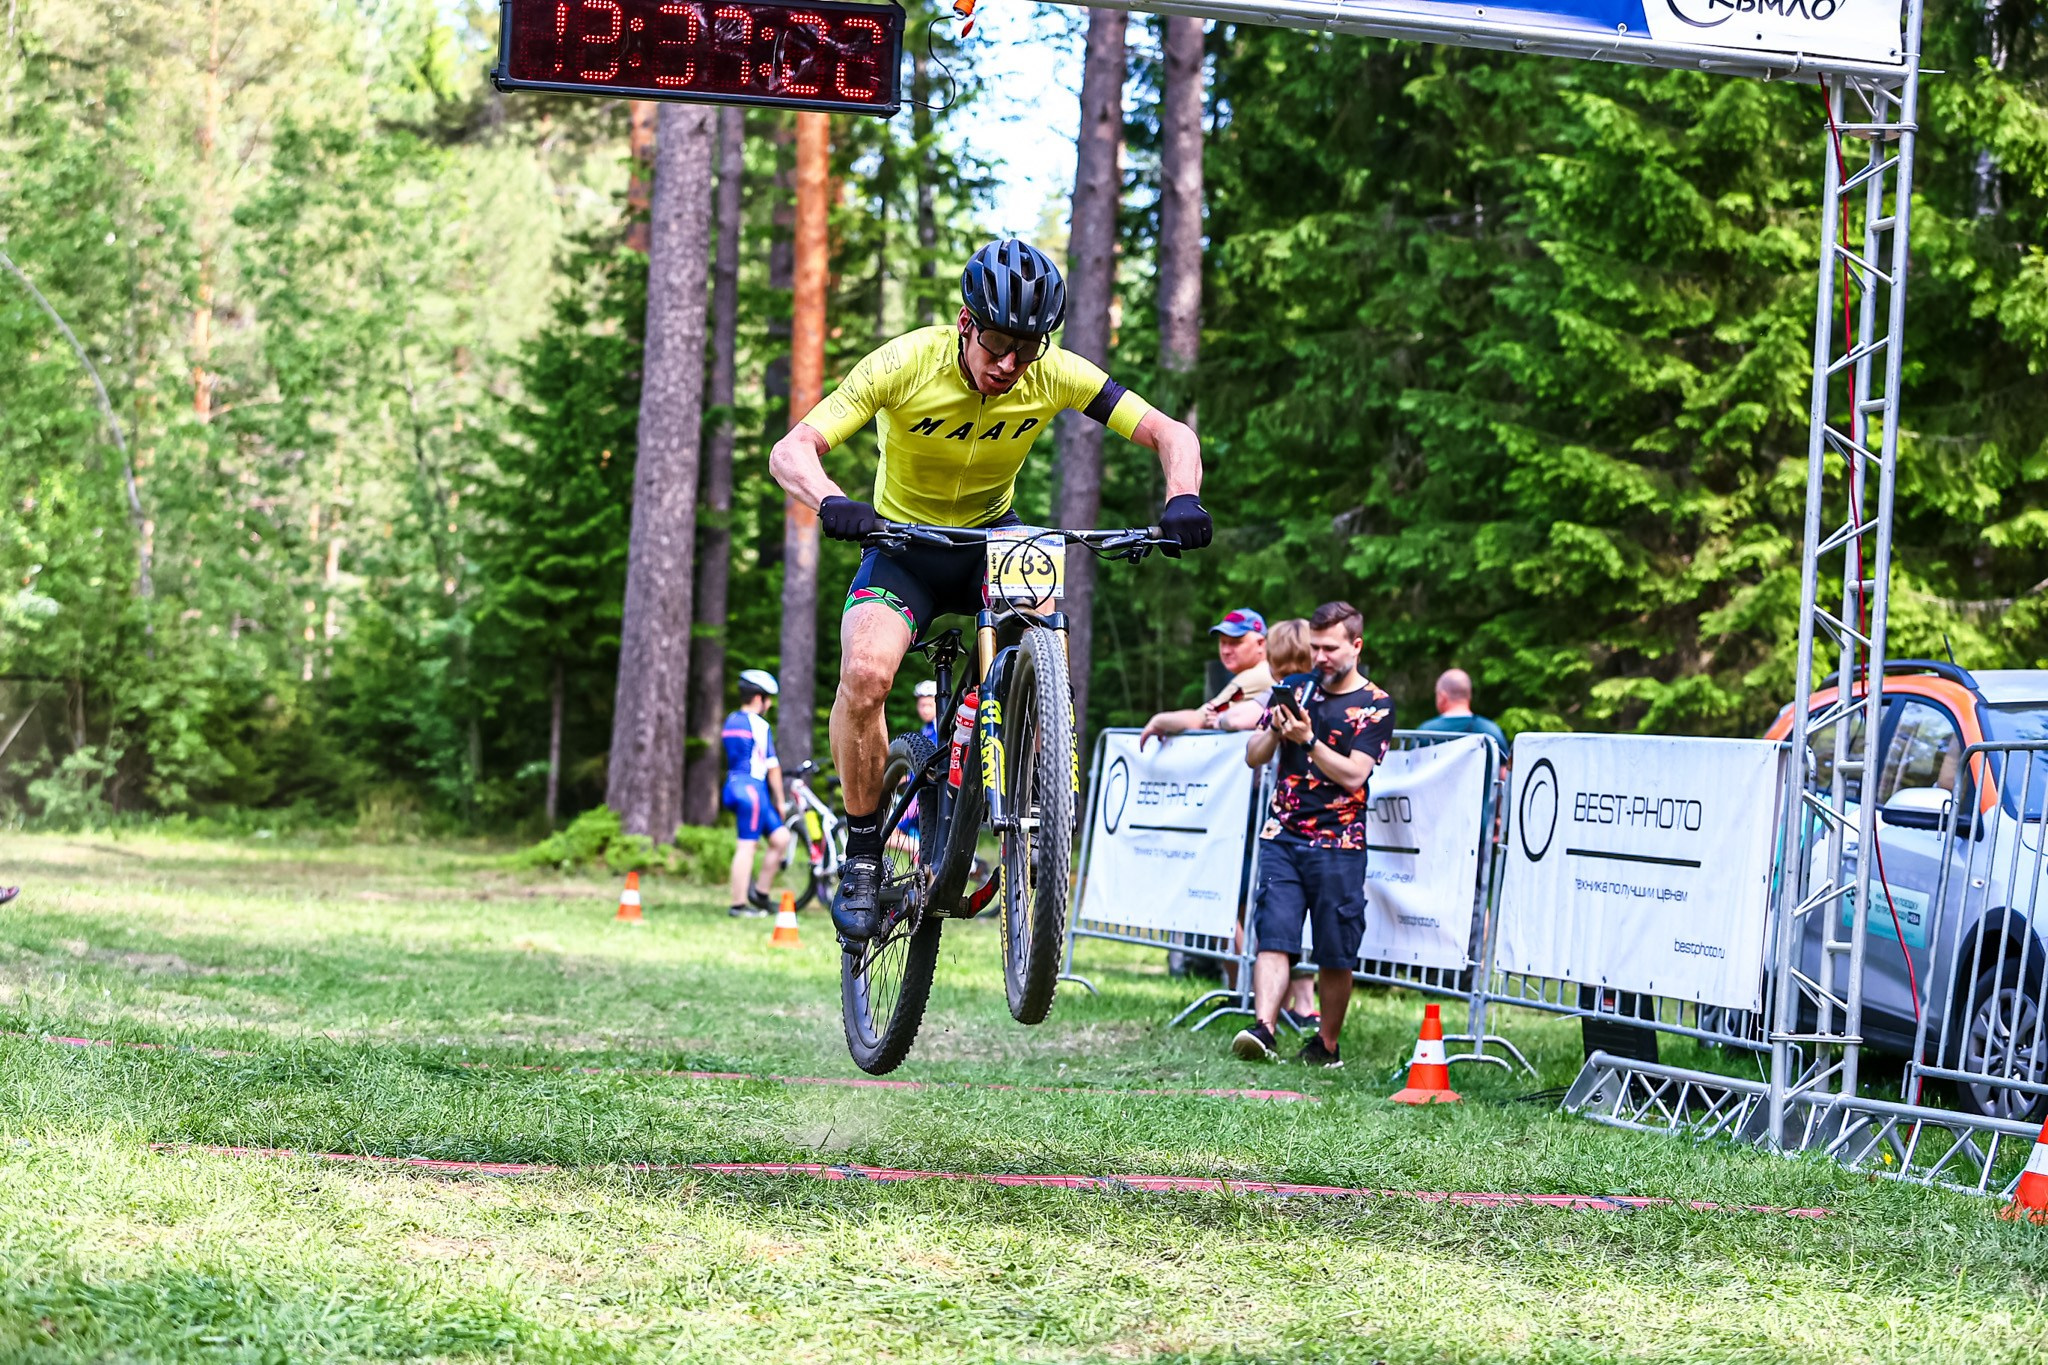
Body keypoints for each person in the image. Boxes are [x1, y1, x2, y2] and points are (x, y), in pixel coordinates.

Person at [766, 238, 1212, 946]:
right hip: (904, 544)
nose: (1009, 364)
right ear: (966, 323)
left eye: (1026, 349)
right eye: (998, 344)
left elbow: (1169, 432)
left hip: (990, 539)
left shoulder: (1053, 372)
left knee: (1043, 609)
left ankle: (1032, 769)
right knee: (867, 673)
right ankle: (863, 854)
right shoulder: (906, 361)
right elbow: (791, 450)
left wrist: (1181, 496)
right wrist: (831, 501)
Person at [1231, 602, 1396, 1067]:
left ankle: (1326, 1044)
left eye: (1330, 648)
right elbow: (1253, 754)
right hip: (1282, 834)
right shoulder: (1298, 688)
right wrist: (1276, 731)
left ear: (1356, 646)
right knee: (1273, 934)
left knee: (1335, 949)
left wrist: (1307, 740)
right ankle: (1263, 1028)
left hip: (1339, 843)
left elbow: (1354, 775)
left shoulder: (1376, 704)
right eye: (1315, 647)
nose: (1320, 657)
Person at [1138, 609, 1272, 750]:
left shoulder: (1258, 675)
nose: (1226, 651)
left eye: (1235, 643)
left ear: (1260, 644)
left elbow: (1198, 720)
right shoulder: (1270, 671)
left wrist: (1158, 720)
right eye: (1223, 642)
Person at [721, 670, 793, 918]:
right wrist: (780, 801)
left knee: (781, 838)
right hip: (752, 789)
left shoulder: (731, 719)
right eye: (767, 699)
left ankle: (760, 895)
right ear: (758, 698)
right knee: (747, 846)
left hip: (734, 785)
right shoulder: (759, 725)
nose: (769, 704)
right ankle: (738, 905)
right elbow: (772, 766)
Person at [1417, 668, 1507, 752]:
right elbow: (1504, 763)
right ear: (1469, 695)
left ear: (1442, 696)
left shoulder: (1425, 732)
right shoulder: (1490, 731)